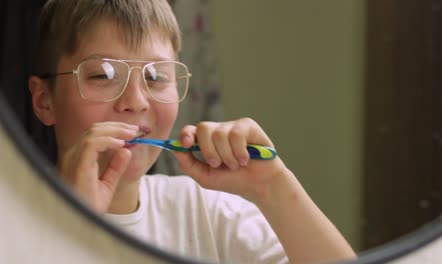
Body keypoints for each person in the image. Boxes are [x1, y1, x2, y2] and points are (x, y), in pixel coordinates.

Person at [28, 0, 356, 263]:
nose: (136, 101)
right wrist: (70, 222)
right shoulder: (14, 216)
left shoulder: (210, 213)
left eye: (156, 77)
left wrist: (272, 187)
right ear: (44, 101)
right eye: (102, 75)